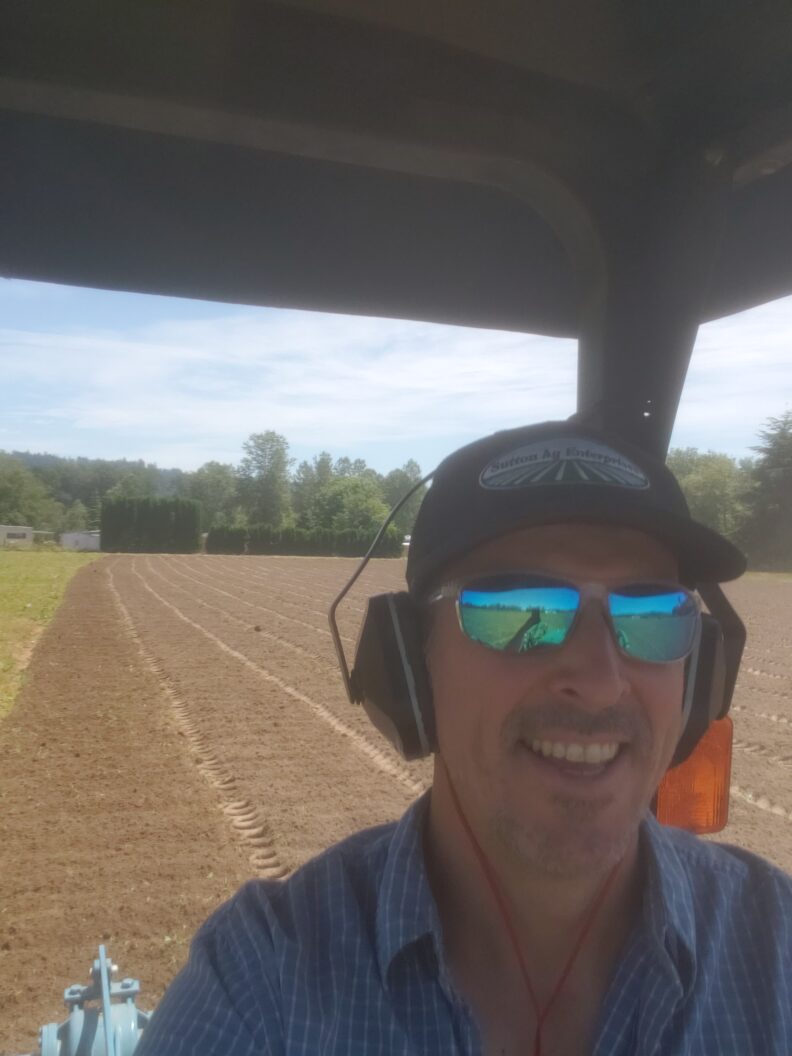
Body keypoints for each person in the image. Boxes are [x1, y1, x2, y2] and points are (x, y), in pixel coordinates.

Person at [137, 420, 792, 1055]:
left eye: (652, 614)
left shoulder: (779, 946)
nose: (599, 680)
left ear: (701, 670)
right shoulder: (267, 976)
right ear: (409, 668)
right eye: (517, 611)